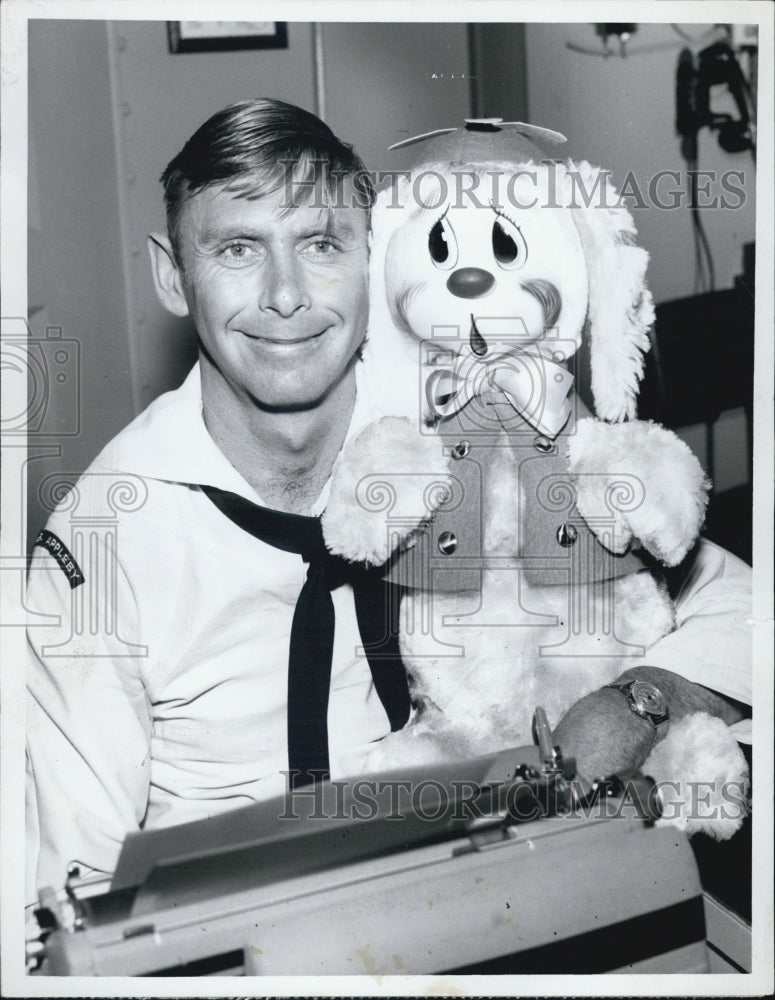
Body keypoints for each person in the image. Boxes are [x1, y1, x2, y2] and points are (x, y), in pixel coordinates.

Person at [25, 98, 752, 903]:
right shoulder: (105, 535)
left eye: (320, 244)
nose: (286, 295)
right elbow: (69, 877)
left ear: (373, 257)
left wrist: (635, 701)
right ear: (172, 274)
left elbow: (741, 610)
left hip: (498, 882)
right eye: (237, 248)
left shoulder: (458, 429)